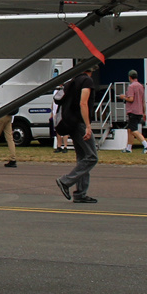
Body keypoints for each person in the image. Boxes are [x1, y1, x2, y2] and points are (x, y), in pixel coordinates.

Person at [55, 61, 100, 203]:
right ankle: (66, 181)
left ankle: (80, 194)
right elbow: (83, 103)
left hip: (71, 123)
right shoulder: (86, 81)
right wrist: (88, 125)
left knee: (83, 157)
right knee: (92, 157)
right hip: (80, 124)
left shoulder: (73, 80)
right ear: (92, 70)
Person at [120, 69, 147, 153]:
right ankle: (128, 148)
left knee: (133, 130)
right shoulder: (141, 86)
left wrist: (123, 97)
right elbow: (143, 100)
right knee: (129, 129)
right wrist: (144, 112)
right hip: (139, 110)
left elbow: (131, 99)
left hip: (132, 111)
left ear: (129, 77)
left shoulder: (131, 86)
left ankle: (146, 145)